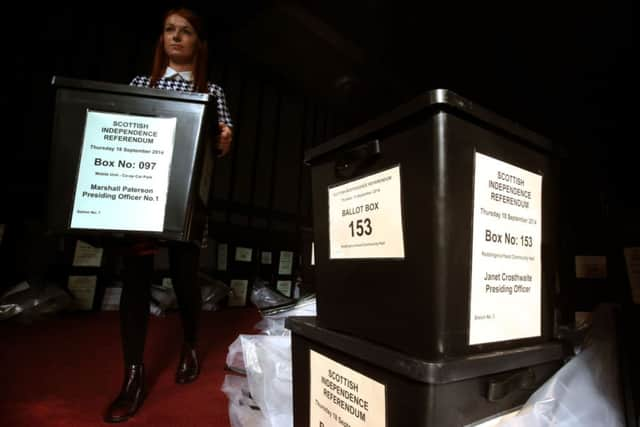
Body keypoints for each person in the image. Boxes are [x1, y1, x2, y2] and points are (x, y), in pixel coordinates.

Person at [104, 7, 233, 423]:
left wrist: (225, 136)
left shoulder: (213, 91)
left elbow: (222, 143)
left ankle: (191, 343)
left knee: (183, 274)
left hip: (188, 198)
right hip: (142, 195)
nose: (176, 37)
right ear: (161, 39)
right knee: (136, 279)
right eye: (169, 30)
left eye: (186, 31)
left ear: (199, 42)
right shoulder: (142, 84)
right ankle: (134, 376)